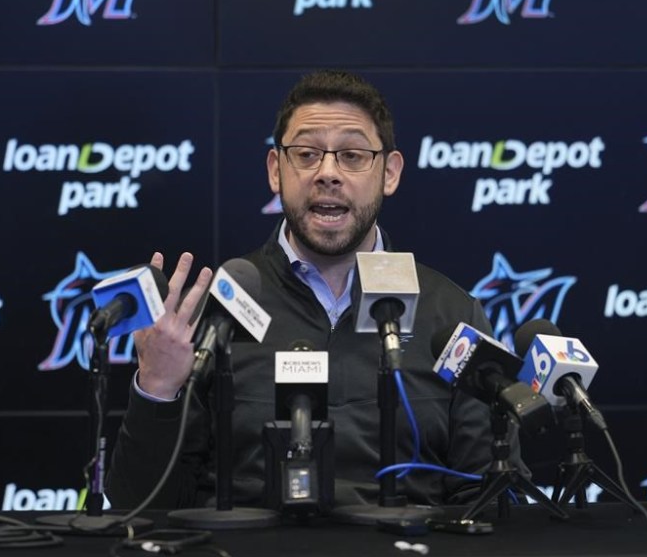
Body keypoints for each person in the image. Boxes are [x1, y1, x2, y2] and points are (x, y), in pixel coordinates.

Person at [106, 70, 525, 509]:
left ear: (389, 173)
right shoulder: (215, 314)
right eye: (306, 154)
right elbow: (142, 507)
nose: (327, 173)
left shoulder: (451, 314)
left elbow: (490, 500)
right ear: (276, 170)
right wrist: (157, 389)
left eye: (352, 155)